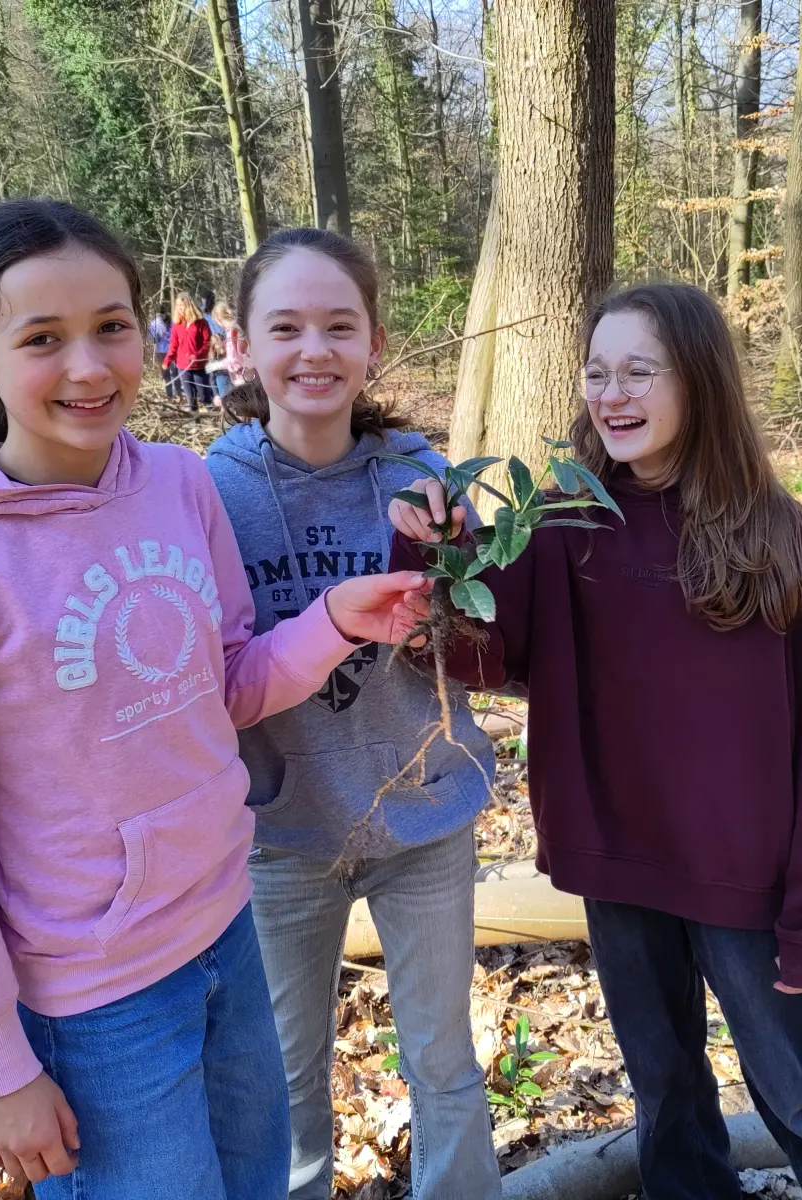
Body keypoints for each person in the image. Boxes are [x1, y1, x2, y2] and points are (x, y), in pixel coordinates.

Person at [0, 198, 431, 1200]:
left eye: (111, 326)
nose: (89, 368)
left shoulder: (177, 484)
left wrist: (334, 620)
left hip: (227, 927)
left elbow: (228, 687)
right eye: (42, 339)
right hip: (94, 997)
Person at [389, 283, 802, 1200]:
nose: (611, 395)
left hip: (744, 872)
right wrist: (433, 551)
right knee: (665, 1090)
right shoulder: (561, 526)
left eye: (638, 373)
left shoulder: (771, 531)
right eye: (597, 373)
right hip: (618, 862)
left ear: (697, 381)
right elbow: (474, 654)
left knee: (798, 1090)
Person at [207, 227, 502, 1200]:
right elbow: (206, 679)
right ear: (241, 345)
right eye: (285, 327)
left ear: (374, 341)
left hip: (423, 813)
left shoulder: (423, 475)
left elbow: (485, 652)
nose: (314, 351)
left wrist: (447, 595)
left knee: (443, 1064)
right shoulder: (209, 493)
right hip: (278, 835)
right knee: (286, 1083)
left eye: (340, 326)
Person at [164, 291, 209, 413]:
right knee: (191, 399)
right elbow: (173, 344)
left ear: (189, 305)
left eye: (182, 305)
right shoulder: (177, 325)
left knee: (205, 397)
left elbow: (207, 343)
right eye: (178, 305)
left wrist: (197, 355)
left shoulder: (201, 323)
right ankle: (195, 420)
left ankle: (212, 417)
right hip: (183, 367)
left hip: (199, 366)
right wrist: (167, 360)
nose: (179, 308)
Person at [207, 300, 237, 403]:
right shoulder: (228, 332)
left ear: (218, 319)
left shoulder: (234, 332)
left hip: (243, 380)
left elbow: (236, 361)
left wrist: (218, 365)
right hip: (236, 378)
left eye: (216, 322)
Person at [148, 304, 176, 399]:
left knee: (173, 371)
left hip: (171, 350)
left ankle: (176, 392)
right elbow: (153, 340)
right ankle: (170, 394)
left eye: (161, 314)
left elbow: (175, 336)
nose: (160, 317)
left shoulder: (171, 323)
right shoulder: (154, 324)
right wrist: (156, 336)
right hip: (161, 351)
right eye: (158, 315)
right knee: (165, 373)